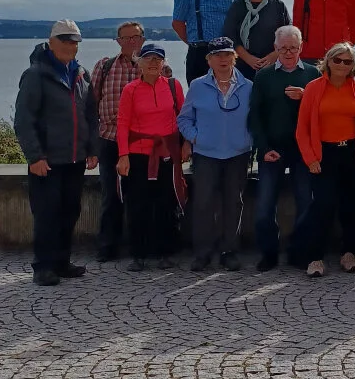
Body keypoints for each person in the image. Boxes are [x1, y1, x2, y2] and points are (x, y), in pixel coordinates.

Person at [12, 20, 99, 286]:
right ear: (51, 42)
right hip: (47, 161)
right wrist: (35, 156)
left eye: (74, 41)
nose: (70, 46)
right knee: (47, 214)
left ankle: (62, 262)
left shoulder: (81, 73)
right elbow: (24, 120)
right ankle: (43, 267)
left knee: (69, 211)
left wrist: (92, 149)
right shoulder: (36, 74)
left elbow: (90, 115)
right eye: (65, 40)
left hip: (74, 158)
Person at [90, 20, 166, 261]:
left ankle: (149, 247)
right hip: (110, 138)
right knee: (111, 194)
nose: (131, 42)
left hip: (142, 144)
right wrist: (90, 144)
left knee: (142, 197)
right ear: (118, 41)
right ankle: (108, 246)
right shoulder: (104, 66)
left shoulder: (155, 66)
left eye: (135, 37)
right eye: (125, 38)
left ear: (142, 39)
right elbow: (91, 104)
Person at [177, 37, 253, 272]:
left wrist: (248, 140)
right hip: (206, 155)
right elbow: (184, 118)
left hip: (238, 154)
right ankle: (202, 253)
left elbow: (256, 120)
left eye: (227, 54)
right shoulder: (198, 86)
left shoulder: (248, 86)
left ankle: (229, 251)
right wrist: (196, 137)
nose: (223, 59)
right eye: (217, 55)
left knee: (234, 203)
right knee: (203, 204)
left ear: (235, 58)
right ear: (208, 60)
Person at [248, 26, 320, 271]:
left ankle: (298, 252)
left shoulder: (313, 75)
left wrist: (307, 96)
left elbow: (321, 113)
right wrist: (263, 147)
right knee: (264, 205)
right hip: (272, 149)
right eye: (283, 48)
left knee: (305, 202)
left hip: (303, 150)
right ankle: (269, 253)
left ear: (301, 47)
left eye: (293, 48)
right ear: (275, 48)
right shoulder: (264, 76)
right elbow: (255, 116)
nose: (288, 53)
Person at [115, 43, 188, 271]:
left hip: (167, 153)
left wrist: (187, 146)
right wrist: (123, 155)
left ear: (164, 63)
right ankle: (139, 254)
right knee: (138, 206)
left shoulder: (174, 87)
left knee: (167, 204)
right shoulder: (131, 90)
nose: (154, 63)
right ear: (140, 62)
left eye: (158, 59)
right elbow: (122, 123)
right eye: (149, 58)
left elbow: (184, 118)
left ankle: (167, 252)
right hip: (139, 155)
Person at [295, 42, 355, 277]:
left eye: (347, 61)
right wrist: (311, 158)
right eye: (337, 60)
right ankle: (315, 257)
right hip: (324, 154)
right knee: (323, 206)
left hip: (351, 152)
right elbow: (302, 129)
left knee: (350, 206)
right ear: (328, 61)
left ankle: (348, 253)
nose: (342, 65)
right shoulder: (314, 88)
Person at [172, 0, 241, 83]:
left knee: (229, 95)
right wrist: (195, 43)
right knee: (199, 98)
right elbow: (177, 23)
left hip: (227, 54)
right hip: (200, 54)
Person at [221, 0, 291, 81]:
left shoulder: (278, 6)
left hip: (273, 66)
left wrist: (274, 55)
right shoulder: (237, 6)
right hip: (242, 67)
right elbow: (230, 36)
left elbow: (288, 34)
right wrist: (248, 58)